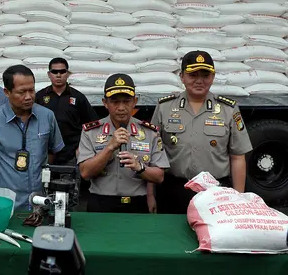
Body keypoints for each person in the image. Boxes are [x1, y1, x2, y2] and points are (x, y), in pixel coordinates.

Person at [151, 50, 253, 214]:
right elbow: (152, 155)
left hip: (215, 193)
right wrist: (151, 194)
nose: (199, 81)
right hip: (173, 191)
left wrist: (239, 198)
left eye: (205, 75)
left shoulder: (228, 109)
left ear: (212, 77)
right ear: (182, 76)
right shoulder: (165, 107)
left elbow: (237, 156)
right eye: (193, 75)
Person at [0, 65, 65, 210]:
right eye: (21, 92)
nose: (28, 97)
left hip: (39, 204)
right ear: (7, 92)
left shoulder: (47, 116)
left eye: (31, 90)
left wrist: (39, 172)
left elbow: (52, 151)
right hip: (5, 207)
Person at [77, 73, 169, 213]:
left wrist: (140, 167)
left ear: (134, 101)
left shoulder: (149, 132)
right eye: (115, 102)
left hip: (137, 204)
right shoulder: (91, 131)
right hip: (101, 203)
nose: (121, 107)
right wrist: (109, 148)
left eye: (126, 101)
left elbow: (159, 176)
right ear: (105, 103)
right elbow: (85, 173)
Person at [35, 57, 99, 166]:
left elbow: (92, 124)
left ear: (68, 73)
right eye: (54, 72)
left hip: (71, 154)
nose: (58, 75)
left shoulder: (78, 97)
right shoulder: (40, 97)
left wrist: (82, 148)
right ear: (49, 74)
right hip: (45, 153)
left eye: (62, 71)